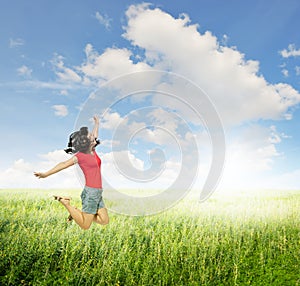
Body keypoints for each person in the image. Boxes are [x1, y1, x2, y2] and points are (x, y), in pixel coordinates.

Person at [34, 116, 109, 230]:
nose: (93, 137)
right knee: (85, 226)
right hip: (91, 193)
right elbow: (63, 164)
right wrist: (45, 174)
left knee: (104, 220)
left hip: (98, 192)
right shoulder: (80, 156)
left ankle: (76, 212)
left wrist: (97, 123)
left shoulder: (92, 151)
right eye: (90, 137)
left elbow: (95, 134)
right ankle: (66, 203)